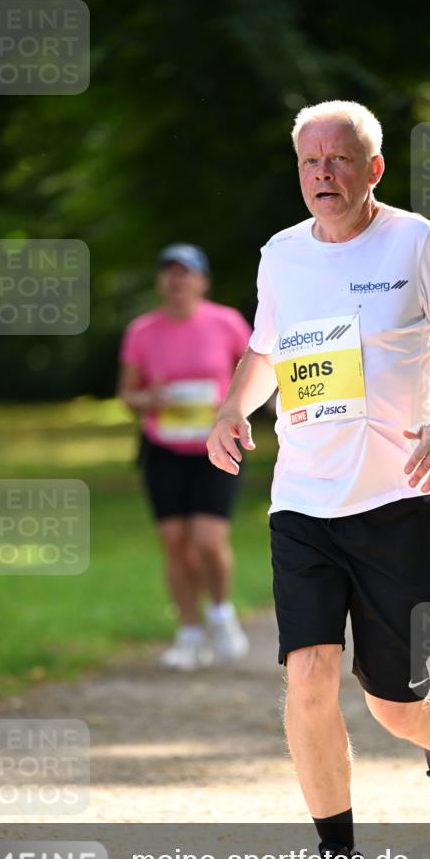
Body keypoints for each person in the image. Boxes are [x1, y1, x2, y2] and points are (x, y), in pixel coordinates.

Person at [207, 101, 430, 859]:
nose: (322, 176)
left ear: (371, 169)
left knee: (392, 701)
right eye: (309, 163)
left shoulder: (416, 243)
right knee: (307, 676)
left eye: (339, 161)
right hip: (302, 503)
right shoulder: (281, 255)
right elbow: (266, 351)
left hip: (395, 500)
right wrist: (234, 406)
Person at [119, 243, 251, 671]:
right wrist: (149, 398)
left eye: (186, 272)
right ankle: (189, 632)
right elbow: (128, 395)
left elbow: (254, 375)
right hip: (164, 448)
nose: (178, 280)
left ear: (202, 280)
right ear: (161, 281)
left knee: (208, 540)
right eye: (170, 272)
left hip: (217, 446)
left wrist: (232, 404)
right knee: (175, 542)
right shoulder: (142, 331)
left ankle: (220, 613)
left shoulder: (227, 322)